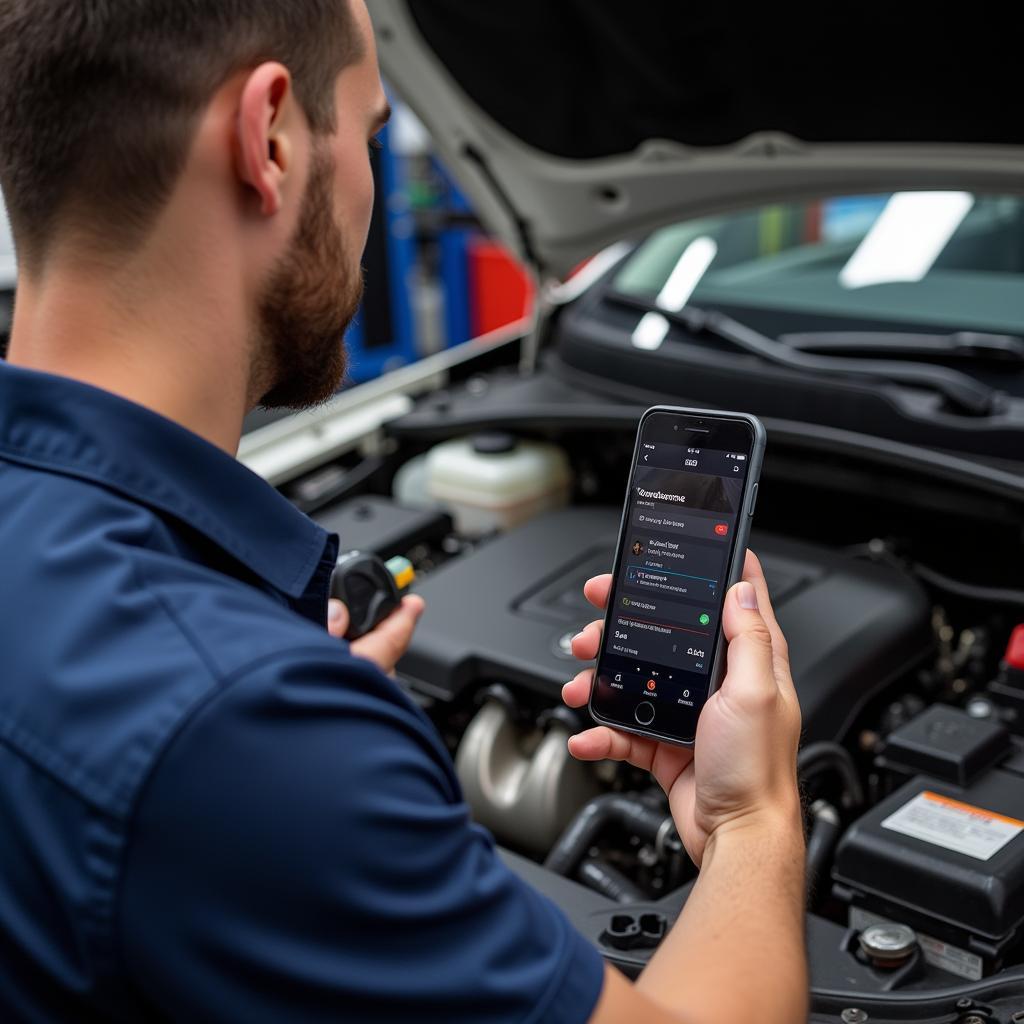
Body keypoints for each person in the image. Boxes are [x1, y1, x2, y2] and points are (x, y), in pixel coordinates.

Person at [0, 1, 806, 1021]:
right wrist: (754, 815)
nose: (371, 185)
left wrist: (276, 743)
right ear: (272, 139)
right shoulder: (244, 736)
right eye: (372, 133)